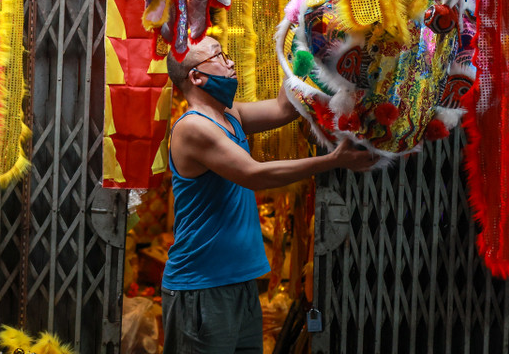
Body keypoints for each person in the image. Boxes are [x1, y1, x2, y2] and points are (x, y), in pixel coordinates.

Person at [160, 36, 379, 354]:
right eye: (219, 57)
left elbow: (283, 109)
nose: (231, 62)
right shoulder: (194, 127)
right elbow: (254, 175)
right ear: (196, 76)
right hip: (202, 286)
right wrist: (332, 161)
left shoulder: (230, 115)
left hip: (240, 280)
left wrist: (303, 51)